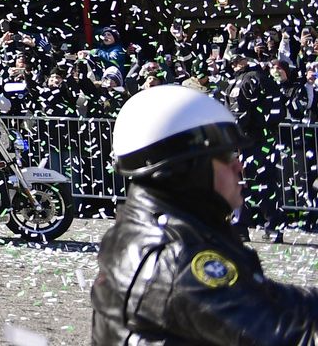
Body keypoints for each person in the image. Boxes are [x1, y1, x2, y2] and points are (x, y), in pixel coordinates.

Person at [92, 84, 318, 343]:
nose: (238, 165)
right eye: (224, 156)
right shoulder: (178, 257)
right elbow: (282, 338)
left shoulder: (159, 228)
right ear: (187, 169)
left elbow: (265, 296)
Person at [223, 45, 287, 242]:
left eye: (238, 60)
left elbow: (240, 114)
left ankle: (259, 226)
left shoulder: (250, 80)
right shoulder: (249, 79)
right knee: (252, 183)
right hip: (253, 140)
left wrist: (238, 132)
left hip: (252, 140)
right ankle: (260, 226)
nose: (234, 63)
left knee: (256, 183)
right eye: (233, 60)